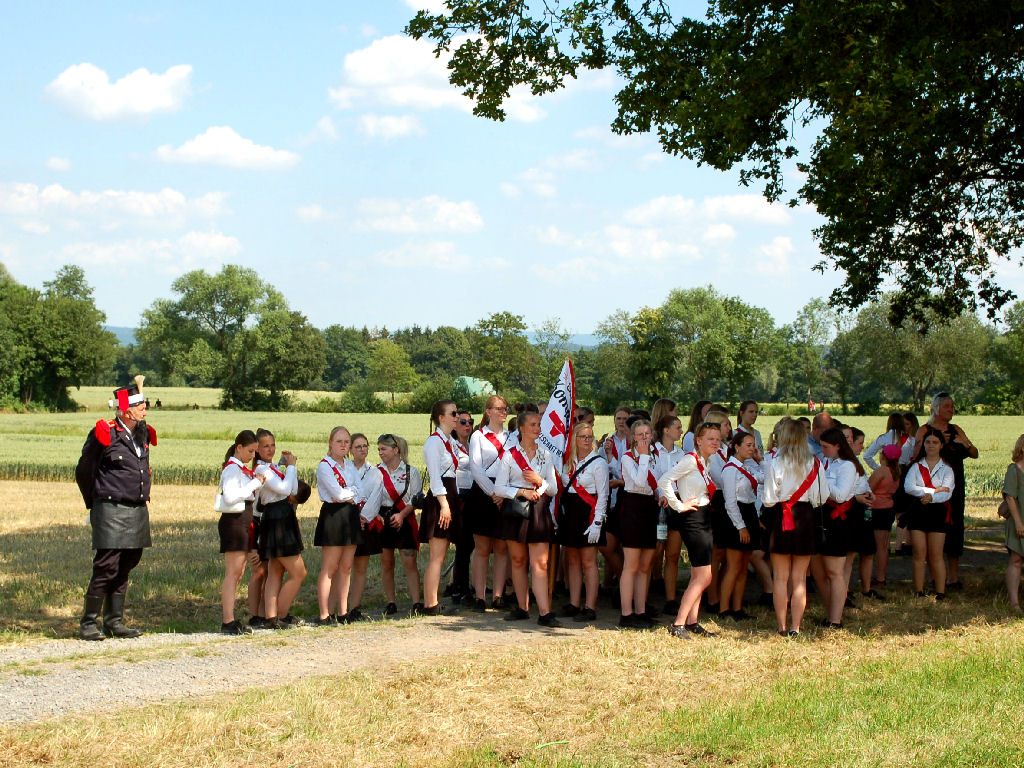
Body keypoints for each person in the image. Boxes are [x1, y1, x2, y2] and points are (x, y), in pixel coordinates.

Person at [74, 376, 155, 641]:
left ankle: (114, 621)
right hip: (110, 507)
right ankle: (89, 623)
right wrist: (95, 503)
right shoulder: (105, 432)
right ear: (126, 411)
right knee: (106, 565)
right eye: (141, 407)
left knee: (127, 563)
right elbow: (84, 470)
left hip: (136, 508)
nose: (145, 411)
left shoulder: (142, 433)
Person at [761, 418, 829, 636]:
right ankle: (795, 627)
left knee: (780, 577)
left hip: (781, 516)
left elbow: (768, 500)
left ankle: (781, 626)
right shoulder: (814, 463)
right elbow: (822, 496)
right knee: (800, 578)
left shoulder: (775, 463)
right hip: (805, 517)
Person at [494, 410, 559, 626]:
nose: (537, 428)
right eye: (533, 424)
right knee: (518, 561)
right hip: (516, 510)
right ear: (521, 428)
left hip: (538, 510)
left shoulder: (545, 455)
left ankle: (545, 613)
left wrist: (539, 481)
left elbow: (554, 489)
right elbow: (499, 488)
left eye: (538, 424)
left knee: (540, 563)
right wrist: (521, 492)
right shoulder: (509, 455)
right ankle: (522, 607)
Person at [659, 422, 722, 640]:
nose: (716, 442)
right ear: (699, 441)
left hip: (704, 516)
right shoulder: (690, 460)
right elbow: (664, 480)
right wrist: (678, 505)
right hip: (693, 519)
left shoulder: (706, 461)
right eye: (711, 439)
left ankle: (693, 621)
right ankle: (678, 623)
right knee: (704, 577)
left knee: (698, 574)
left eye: (718, 439)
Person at [914, 393, 977, 590]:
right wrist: (936, 443)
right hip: (933, 488)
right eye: (947, 406)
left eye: (952, 406)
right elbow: (914, 457)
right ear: (936, 408)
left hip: (955, 489)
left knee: (955, 530)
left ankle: (953, 578)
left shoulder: (956, 429)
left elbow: (974, 453)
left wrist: (964, 443)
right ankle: (934, 576)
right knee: (934, 529)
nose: (951, 410)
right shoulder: (925, 430)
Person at [253, 429, 306, 629]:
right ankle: (281, 614)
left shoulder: (272, 467)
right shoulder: (262, 469)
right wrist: (290, 467)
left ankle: (271, 616)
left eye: (272, 445)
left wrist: (290, 466)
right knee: (299, 572)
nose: (270, 449)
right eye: (265, 446)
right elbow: (284, 489)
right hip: (276, 517)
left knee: (276, 570)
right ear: (257, 449)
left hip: (282, 514)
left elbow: (293, 489)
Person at [816, 427, 868, 628]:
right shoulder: (828, 462)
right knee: (822, 571)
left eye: (826, 447)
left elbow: (840, 495)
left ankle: (835, 619)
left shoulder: (847, 466)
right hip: (824, 517)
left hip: (839, 520)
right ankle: (830, 613)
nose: (823, 450)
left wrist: (819, 481)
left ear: (838, 446)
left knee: (835, 572)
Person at [557, 422, 609, 622]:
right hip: (571, 514)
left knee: (589, 562)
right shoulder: (567, 461)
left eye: (590, 437)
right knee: (572, 560)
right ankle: (574, 603)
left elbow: (603, 495)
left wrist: (597, 523)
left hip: (589, 514)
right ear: (575, 439)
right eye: (583, 437)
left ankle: (590, 607)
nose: (587, 441)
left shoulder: (598, 463)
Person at [313, 426, 364, 625]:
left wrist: (348, 494)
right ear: (330, 443)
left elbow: (361, 491)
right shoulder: (325, 466)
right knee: (330, 567)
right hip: (333, 516)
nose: (343, 445)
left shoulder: (350, 465)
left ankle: (343, 612)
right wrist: (349, 493)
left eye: (346, 442)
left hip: (350, 515)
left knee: (346, 567)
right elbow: (337, 494)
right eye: (339, 441)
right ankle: (324, 614)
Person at [217, 430, 265, 635]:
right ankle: (227, 620)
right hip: (234, 522)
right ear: (239, 448)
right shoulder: (232, 469)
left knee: (238, 573)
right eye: (250, 451)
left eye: (255, 451)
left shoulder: (241, 470)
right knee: (233, 573)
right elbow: (230, 497)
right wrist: (255, 483)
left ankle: (230, 618)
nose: (253, 455)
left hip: (243, 521)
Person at [467, 396, 512, 611]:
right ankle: (480, 596)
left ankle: (498, 595)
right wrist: (494, 492)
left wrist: (503, 493)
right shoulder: (478, 436)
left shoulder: (512, 437)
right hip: (484, 493)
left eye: (505, 408)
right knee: (482, 548)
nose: (504, 412)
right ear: (488, 411)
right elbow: (476, 468)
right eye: (499, 408)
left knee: (502, 547)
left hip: (506, 492)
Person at [420, 400, 464, 615]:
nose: (457, 417)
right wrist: (444, 505)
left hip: (450, 496)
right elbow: (435, 478)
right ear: (441, 417)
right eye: (453, 413)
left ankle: (433, 600)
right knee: (437, 556)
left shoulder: (449, 441)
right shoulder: (434, 443)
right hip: (441, 499)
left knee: (443, 552)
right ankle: (430, 604)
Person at [617, 418, 661, 629]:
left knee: (645, 565)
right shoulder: (628, 457)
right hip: (633, 507)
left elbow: (657, 482)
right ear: (633, 437)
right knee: (631, 565)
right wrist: (643, 457)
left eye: (647, 434)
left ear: (652, 435)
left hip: (650, 508)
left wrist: (662, 495)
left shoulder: (655, 456)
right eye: (640, 434)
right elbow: (639, 481)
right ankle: (626, 614)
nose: (644, 438)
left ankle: (641, 611)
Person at [904, 428, 955, 600]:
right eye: (928, 442)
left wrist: (931, 497)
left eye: (935, 442)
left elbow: (947, 492)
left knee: (936, 555)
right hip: (918, 511)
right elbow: (908, 487)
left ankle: (940, 592)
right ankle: (919, 591)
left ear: (941, 445)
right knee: (919, 554)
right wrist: (931, 491)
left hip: (938, 512)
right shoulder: (916, 466)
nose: (931, 445)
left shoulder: (947, 469)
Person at [718, 430, 764, 620]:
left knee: (744, 565)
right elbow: (729, 502)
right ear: (736, 447)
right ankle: (724, 609)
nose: (752, 449)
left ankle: (737, 608)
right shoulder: (730, 469)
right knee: (733, 566)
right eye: (748, 445)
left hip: (749, 512)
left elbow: (765, 478)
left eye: (754, 445)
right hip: (736, 517)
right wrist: (741, 526)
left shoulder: (748, 467)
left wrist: (761, 460)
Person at [376, 434, 423, 614]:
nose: (380, 453)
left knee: (409, 561)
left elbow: (416, 497)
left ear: (396, 450)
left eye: (384, 449)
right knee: (386, 562)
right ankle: (391, 602)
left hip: (405, 518)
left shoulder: (411, 472)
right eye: (379, 449)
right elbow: (371, 497)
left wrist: (402, 515)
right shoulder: (376, 472)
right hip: (383, 518)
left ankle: (416, 602)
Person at [345, 433, 384, 622]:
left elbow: (376, 497)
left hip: (365, 522)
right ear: (351, 450)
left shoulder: (375, 472)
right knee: (343, 567)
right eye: (358, 446)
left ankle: (354, 608)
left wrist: (363, 517)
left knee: (360, 567)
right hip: (346, 521)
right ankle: (339, 607)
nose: (362, 449)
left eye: (365, 446)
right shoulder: (344, 469)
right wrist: (353, 517)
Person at [653, 415, 685, 614]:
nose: (681, 431)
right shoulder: (652, 451)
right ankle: (641, 598)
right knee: (654, 553)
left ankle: (671, 599)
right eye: (678, 427)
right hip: (658, 506)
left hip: (676, 505)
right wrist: (661, 495)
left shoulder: (682, 454)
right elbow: (652, 478)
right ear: (666, 430)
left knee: (672, 554)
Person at [598, 406, 631, 594]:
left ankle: (624, 586)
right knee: (609, 545)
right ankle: (617, 580)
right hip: (611, 497)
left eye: (625, 418)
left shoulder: (633, 443)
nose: (621, 422)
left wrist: (612, 460)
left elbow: (624, 472)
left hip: (628, 498)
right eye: (618, 418)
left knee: (624, 546)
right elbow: (602, 467)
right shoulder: (608, 442)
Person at [444, 410, 476, 604]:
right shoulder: (451, 446)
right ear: (455, 425)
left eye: (470, 421)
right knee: (463, 545)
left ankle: (461, 586)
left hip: (473, 497)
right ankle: (459, 588)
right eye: (462, 422)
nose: (467, 425)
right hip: (458, 497)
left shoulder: (474, 445)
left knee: (469, 545)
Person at [867, 444, 903, 592]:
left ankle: (879, 578)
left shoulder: (881, 471)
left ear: (883, 456)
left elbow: (869, 489)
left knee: (878, 547)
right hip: (888, 508)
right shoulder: (896, 472)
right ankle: (881, 576)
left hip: (877, 509)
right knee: (884, 545)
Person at [1001, 434, 1024, 613]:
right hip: (1019, 520)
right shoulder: (1014, 469)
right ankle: (1014, 603)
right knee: (1016, 560)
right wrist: (1018, 523)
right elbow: (1010, 497)